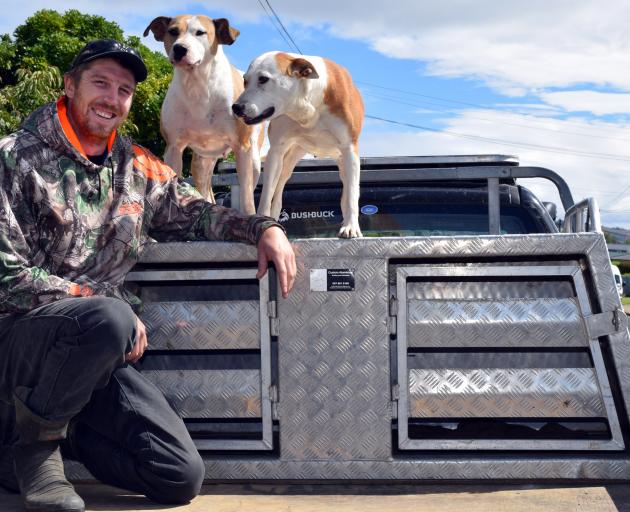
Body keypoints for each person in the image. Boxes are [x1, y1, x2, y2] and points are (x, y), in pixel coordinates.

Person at [0, 39, 296, 512]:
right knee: (109, 319)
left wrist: (263, 227)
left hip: (97, 354)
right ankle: (35, 453)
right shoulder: (13, 157)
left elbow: (196, 211)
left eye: (124, 90)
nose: (112, 98)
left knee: (177, 476)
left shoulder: (135, 165)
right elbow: (6, 277)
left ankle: (33, 440)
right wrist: (102, 304)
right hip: (21, 346)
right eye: (100, 83)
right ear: (70, 85)